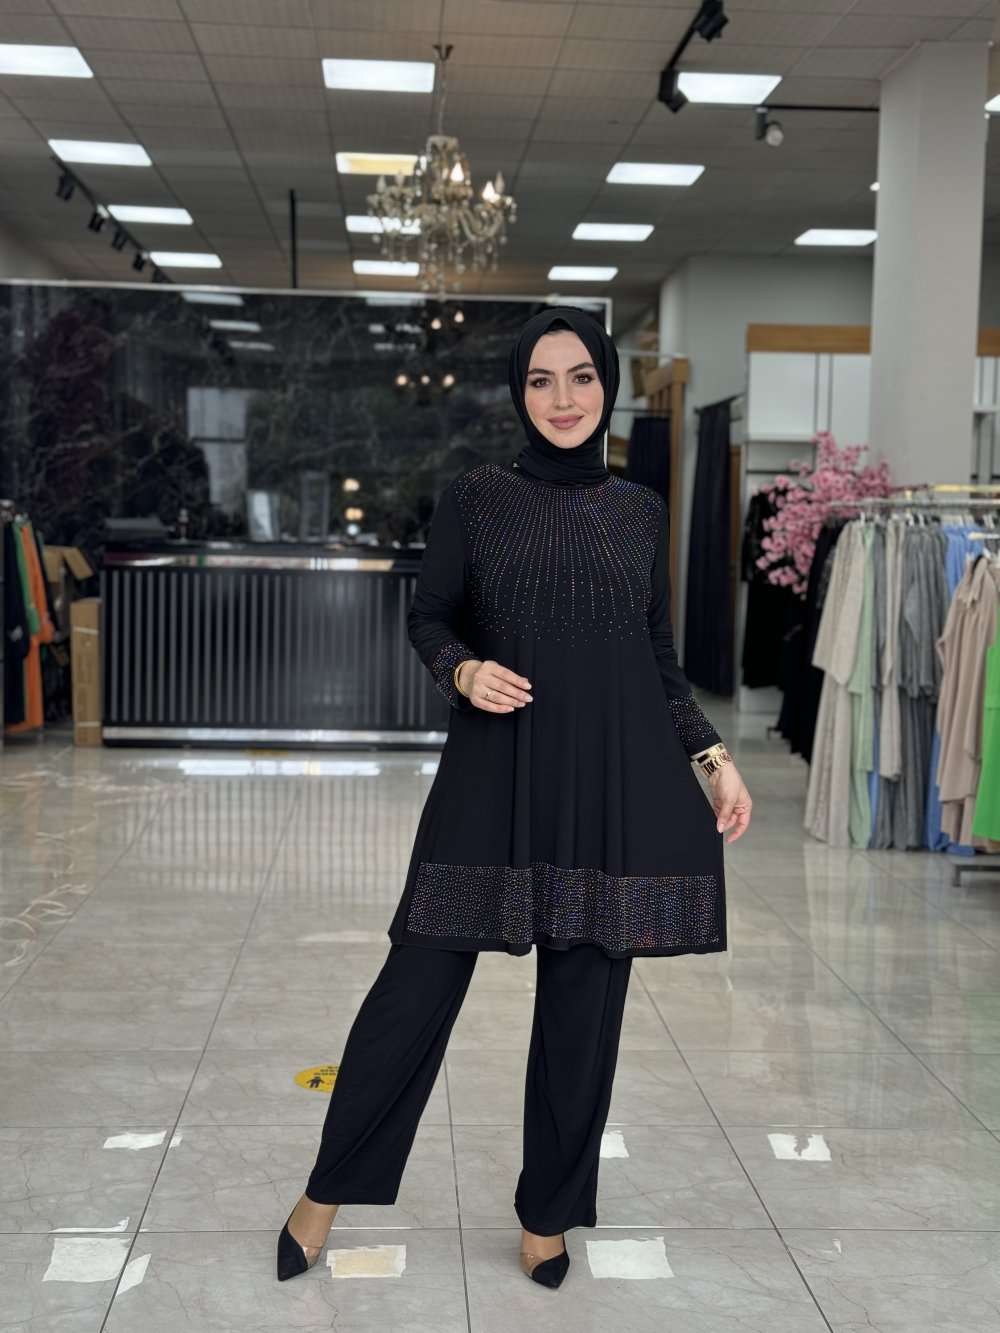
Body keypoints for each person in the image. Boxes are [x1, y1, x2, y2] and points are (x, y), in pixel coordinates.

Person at [277, 305, 752, 1291]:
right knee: (415, 983)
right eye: (541, 380)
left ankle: (547, 1214)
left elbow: (655, 654)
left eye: (581, 377)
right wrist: (462, 670)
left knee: (585, 1005)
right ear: (517, 392)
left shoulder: (639, 510)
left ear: (607, 386)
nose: (563, 399)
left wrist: (712, 758)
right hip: (494, 773)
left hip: (607, 781)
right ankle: (325, 1188)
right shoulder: (478, 497)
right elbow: (428, 615)